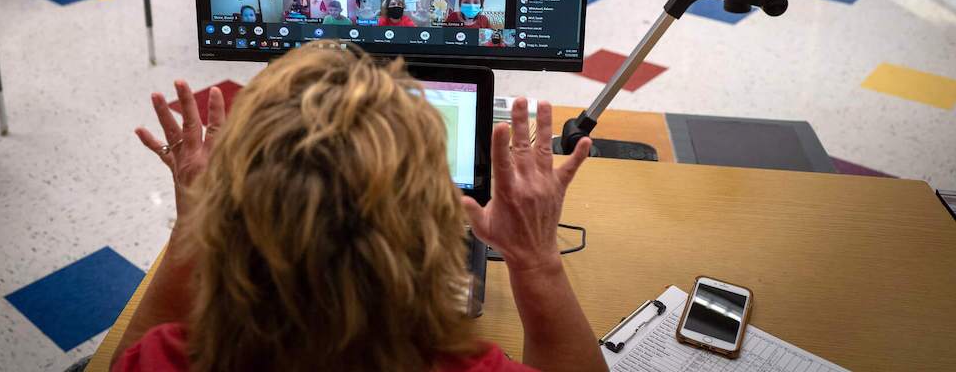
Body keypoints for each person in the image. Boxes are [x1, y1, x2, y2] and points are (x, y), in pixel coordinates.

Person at [122, 45, 601, 371]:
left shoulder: (164, 358)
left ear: (227, 235)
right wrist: (536, 260)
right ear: (426, 243)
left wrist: (194, 218)